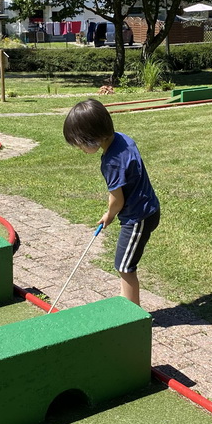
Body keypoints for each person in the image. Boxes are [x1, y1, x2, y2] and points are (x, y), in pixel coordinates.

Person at [63, 98, 160, 306]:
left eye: (80, 143)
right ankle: (126, 302)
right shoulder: (122, 139)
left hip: (138, 217)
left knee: (125, 266)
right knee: (123, 263)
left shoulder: (112, 163)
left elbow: (117, 199)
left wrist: (109, 214)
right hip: (147, 208)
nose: (80, 148)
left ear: (92, 137)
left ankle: (131, 315)